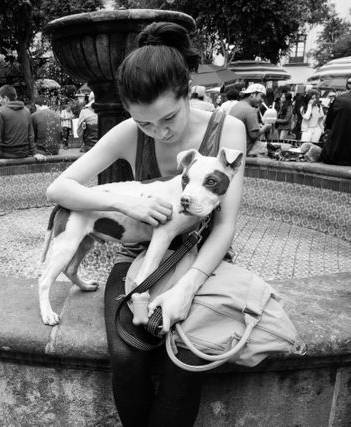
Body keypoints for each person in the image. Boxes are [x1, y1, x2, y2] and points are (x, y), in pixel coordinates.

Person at [45, 22, 246, 426]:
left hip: (204, 256)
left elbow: (225, 225)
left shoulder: (227, 130)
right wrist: (124, 203)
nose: (160, 131)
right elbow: (59, 189)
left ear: (187, 88)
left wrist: (187, 289)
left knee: (186, 354)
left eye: (168, 117)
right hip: (139, 254)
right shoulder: (126, 133)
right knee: (127, 352)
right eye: (145, 124)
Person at [0, 85, 44, 166]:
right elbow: (31, 134)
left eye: (0, 98)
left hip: (7, 153)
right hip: (24, 153)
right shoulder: (26, 111)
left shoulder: (0, 111)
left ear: (6, 98)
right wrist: (34, 153)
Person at [228, 83, 272, 155]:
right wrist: (266, 127)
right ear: (253, 95)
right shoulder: (250, 110)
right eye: (261, 96)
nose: (262, 100)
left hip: (232, 145)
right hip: (244, 148)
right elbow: (254, 135)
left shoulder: (236, 105)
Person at [321, 76, 351, 165]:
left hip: (334, 153)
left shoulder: (339, 99)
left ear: (347, 86)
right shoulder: (339, 99)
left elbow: (328, 122)